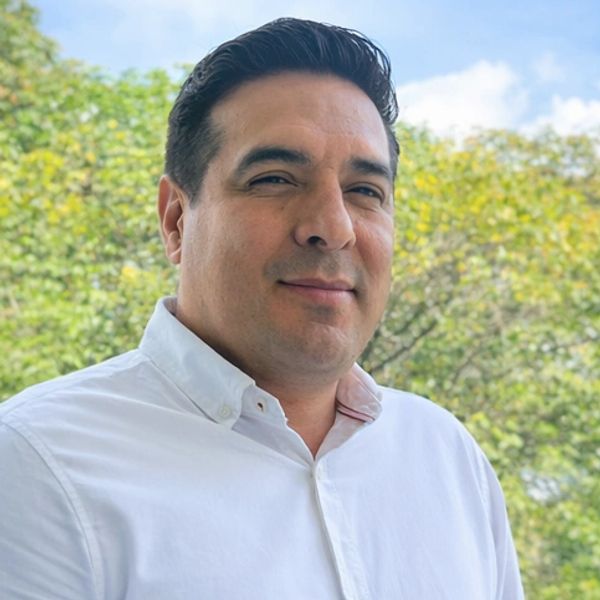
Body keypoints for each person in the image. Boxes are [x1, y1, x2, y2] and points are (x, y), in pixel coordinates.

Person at [0, 18, 524, 599]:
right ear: (176, 220)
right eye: (274, 179)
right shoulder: (36, 465)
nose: (333, 227)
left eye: (364, 191)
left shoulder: (446, 456)